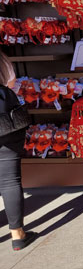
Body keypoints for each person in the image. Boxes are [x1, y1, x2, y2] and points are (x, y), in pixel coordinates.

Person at [0, 51, 36, 250]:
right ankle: (17, 235)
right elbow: (11, 82)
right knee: (9, 181)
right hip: (5, 125)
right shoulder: (1, 58)